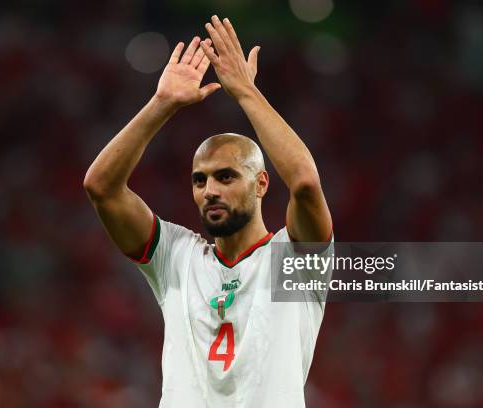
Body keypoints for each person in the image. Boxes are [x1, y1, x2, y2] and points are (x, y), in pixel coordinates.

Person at [84, 15, 333, 408]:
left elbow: (304, 181)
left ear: (262, 184)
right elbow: (100, 187)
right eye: (200, 180)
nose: (210, 191)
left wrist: (246, 93)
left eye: (226, 176)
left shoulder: (294, 262)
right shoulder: (177, 257)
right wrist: (161, 104)